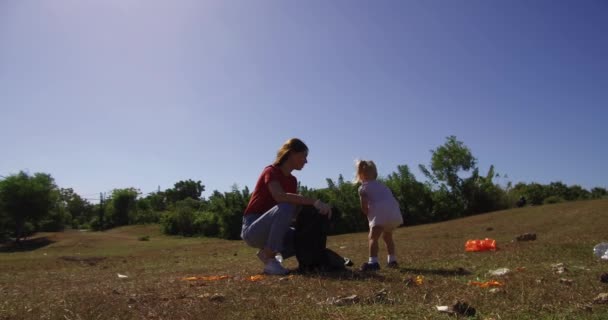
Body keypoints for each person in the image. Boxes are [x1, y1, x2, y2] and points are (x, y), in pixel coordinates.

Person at [240, 138, 332, 275]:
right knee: (285, 206)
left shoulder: (292, 180)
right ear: (292, 154)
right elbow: (280, 197)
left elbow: (292, 214)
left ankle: (267, 252)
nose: (306, 161)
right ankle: (270, 258)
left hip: (271, 227)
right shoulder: (270, 171)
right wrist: (314, 201)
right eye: (304, 156)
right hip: (253, 229)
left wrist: (314, 216)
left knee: (304, 236)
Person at [354, 160, 403, 271]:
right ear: (375, 174)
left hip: (380, 213)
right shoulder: (383, 186)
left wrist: (366, 213)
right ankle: (392, 260)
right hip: (394, 213)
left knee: (373, 238)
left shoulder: (363, 188)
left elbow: (364, 205)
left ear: (360, 175)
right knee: (387, 237)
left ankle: (373, 262)